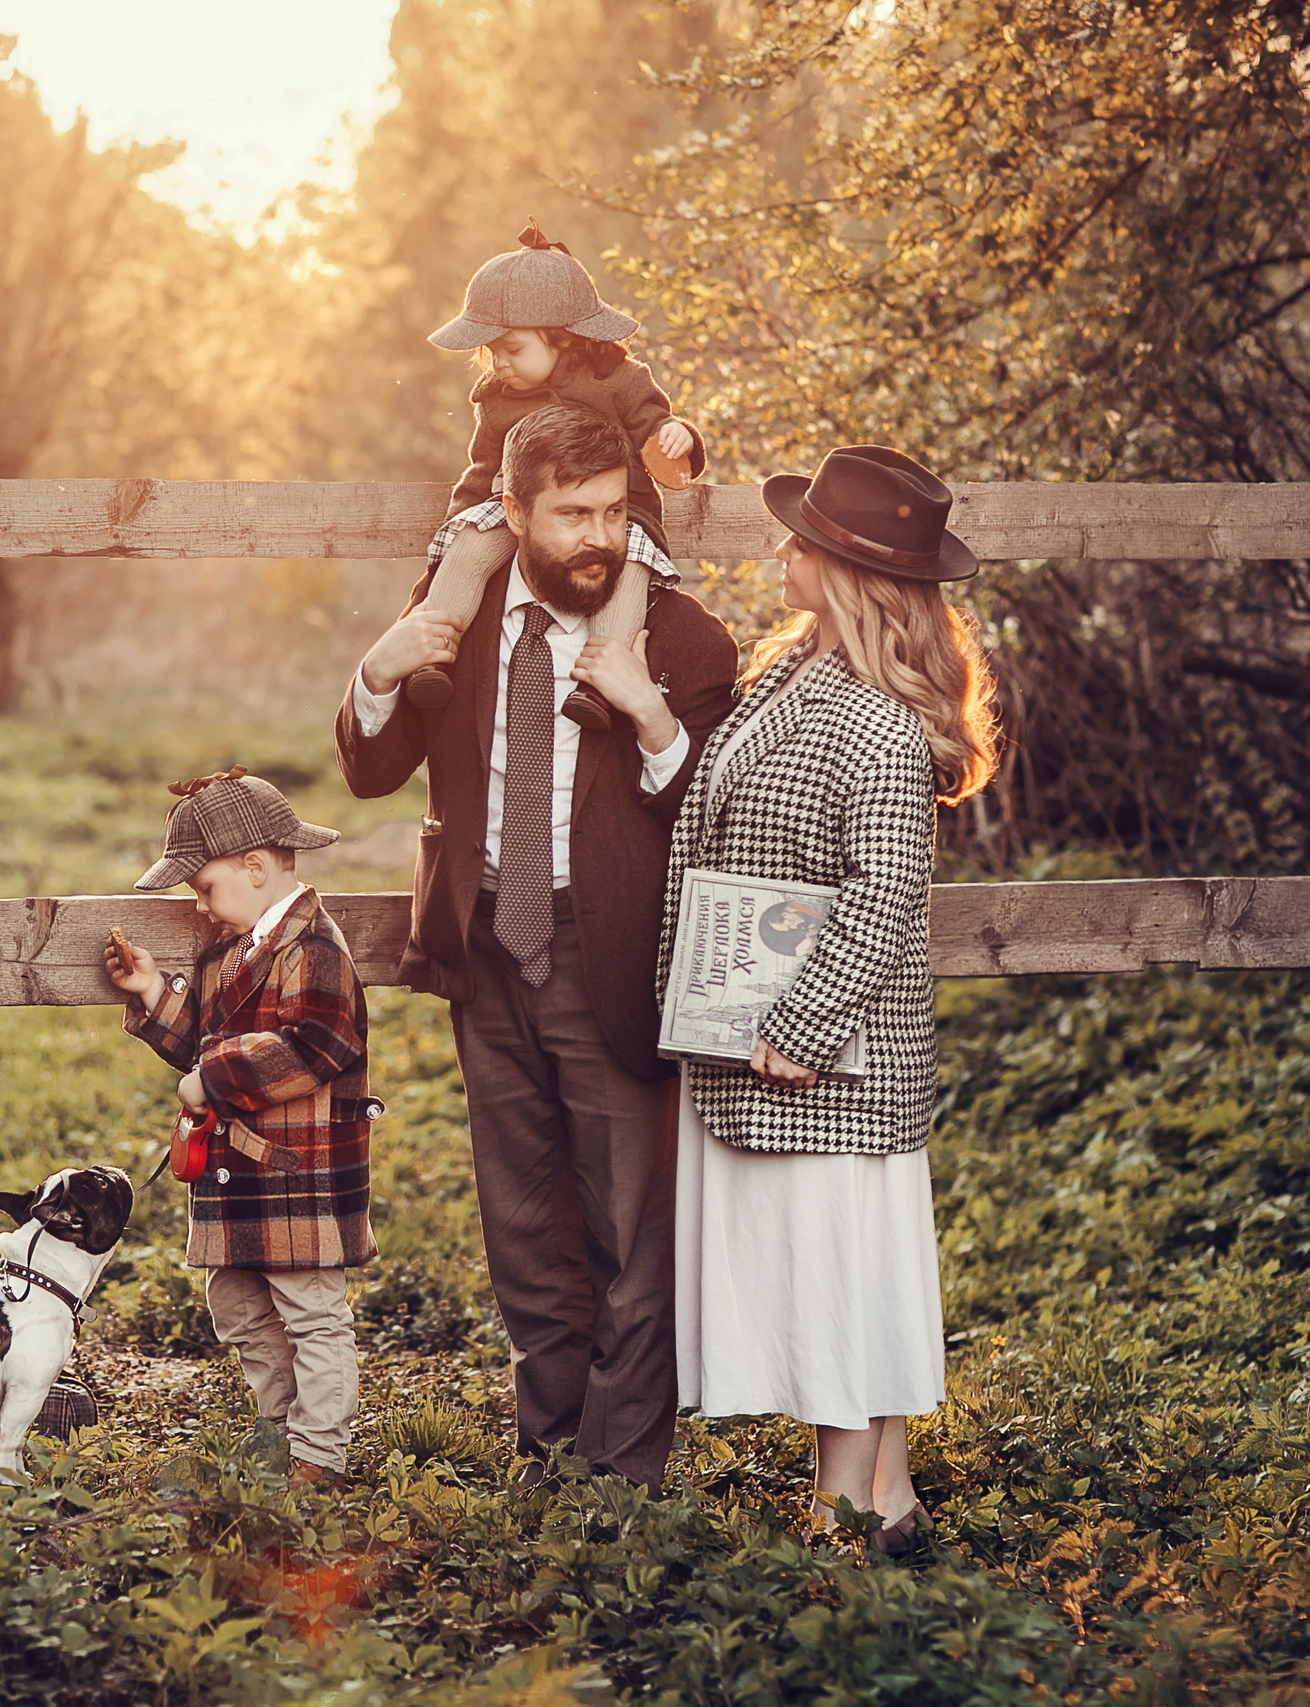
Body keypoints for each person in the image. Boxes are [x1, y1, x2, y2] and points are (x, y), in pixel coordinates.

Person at [335, 402, 739, 1488]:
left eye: (611, 512)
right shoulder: (452, 626)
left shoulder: (684, 642)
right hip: (484, 949)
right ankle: (549, 1455)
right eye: (569, 515)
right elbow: (370, 775)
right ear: (509, 514)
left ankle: (623, 1474)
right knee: (521, 1226)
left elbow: (716, 822)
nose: (596, 539)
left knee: (626, 1230)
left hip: (611, 962)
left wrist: (652, 720)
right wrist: (376, 672)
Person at [657, 444, 999, 1554]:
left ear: (846, 571)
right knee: (833, 1274)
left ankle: (843, 1510)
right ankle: (881, 1500)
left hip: (829, 1057)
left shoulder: (882, 725)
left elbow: (886, 890)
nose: (779, 546)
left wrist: (802, 1026)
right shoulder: (793, 674)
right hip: (762, 1037)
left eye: (799, 538)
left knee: (837, 1274)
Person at [106, 768, 377, 1491]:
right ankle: (279, 1424)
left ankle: (319, 1452)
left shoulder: (314, 949)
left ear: (255, 867)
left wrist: (215, 1078)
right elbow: (200, 1038)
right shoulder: (230, 949)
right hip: (238, 1177)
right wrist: (155, 994)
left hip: (294, 1171)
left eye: (203, 886)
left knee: (311, 1313)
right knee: (238, 1306)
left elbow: (319, 1046)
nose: (200, 903)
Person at [407, 220, 709, 736]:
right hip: (516, 505)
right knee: (471, 549)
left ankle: (598, 687)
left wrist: (676, 435)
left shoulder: (617, 380)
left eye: (512, 349)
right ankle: (436, 654)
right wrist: (460, 526)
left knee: (627, 579)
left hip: (619, 515)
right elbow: (482, 470)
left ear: (564, 339)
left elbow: (653, 426)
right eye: (490, 351)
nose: (499, 363)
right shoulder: (498, 400)